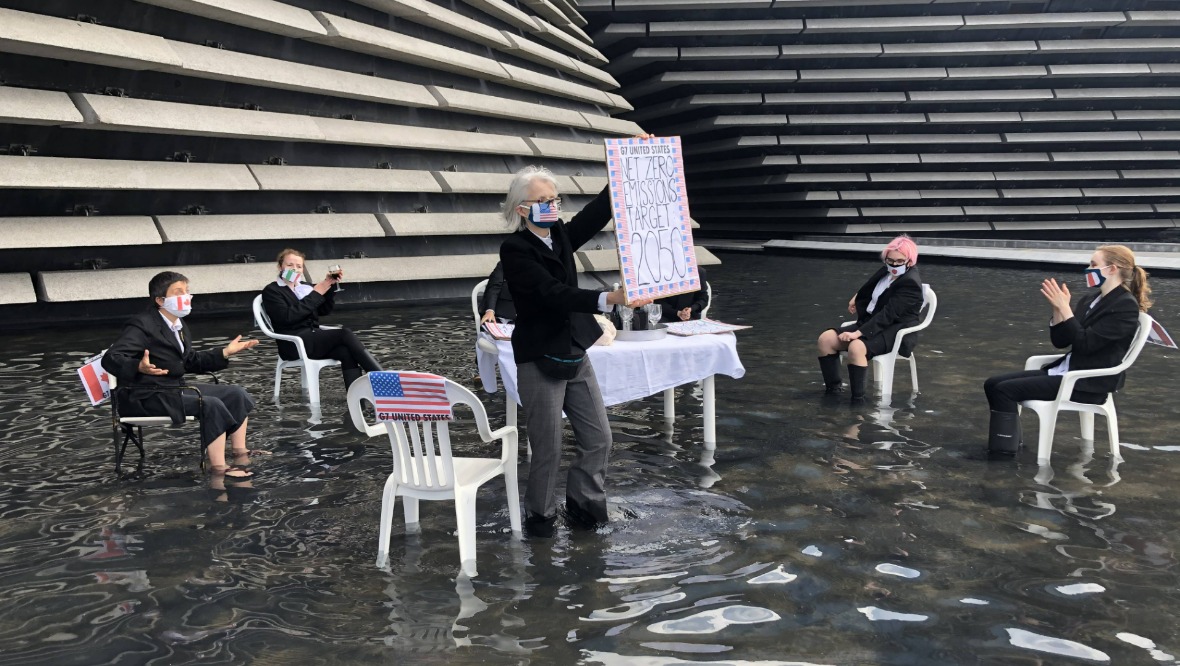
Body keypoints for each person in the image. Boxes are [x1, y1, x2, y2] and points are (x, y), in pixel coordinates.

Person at [499, 165, 652, 536]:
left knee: (599, 437)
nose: (552, 206)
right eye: (543, 200)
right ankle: (541, 520)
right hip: (539, 356)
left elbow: (598, 211)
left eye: (555, 199)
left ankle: (584, 507)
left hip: (574, 350)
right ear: (523, 209)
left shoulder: (562, 236)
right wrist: (607, 297)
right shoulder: (515, 249)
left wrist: (629, 162)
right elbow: (552, 294)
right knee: (547, 449)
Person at [983, 245, 1151, 454]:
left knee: (1004, 390)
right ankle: (1010, 443)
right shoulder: (1091, 299)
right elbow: (1061, 341)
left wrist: (1066, 309)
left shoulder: (1125, 305)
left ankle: (1002, 455)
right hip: (1067, 370)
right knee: (993, 384)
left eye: (1093, 264)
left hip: (1087, 382)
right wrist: (1057, 312)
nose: (1088, 269)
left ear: (1112, 269)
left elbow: (1086, 344)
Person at [102, 271, 261, 479]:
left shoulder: (179, 325)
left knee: (236, 393)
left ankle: (240, 452)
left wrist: (224, 353)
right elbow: (112, 358)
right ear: (160, 300)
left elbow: (189, 361)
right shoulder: (142, 324)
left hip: (172, 388)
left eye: (187, 291)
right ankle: (219, 468)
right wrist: (138, 367)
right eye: (179, 292)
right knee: (209, 403)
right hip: (146, 395)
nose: (186, 296)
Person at [816, 235, 924, 403]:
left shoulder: (910, 283)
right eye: (890, 260)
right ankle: (833, 391)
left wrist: (857, 333)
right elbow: (870, 285)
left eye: (899, 261)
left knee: (856, 347)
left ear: (910, 261)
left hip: (896, 331)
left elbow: (888, 315)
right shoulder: (886, 270)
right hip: (872, 323)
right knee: (826, 340)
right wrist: (856, 297)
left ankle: (858, 401)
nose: (894, 265)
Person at [261, 249, 382, 390]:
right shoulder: (272, 291)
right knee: (344, 333)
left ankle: (356, 400)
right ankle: (382, 380)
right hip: (293, 343)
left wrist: (328, 288)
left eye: (299, 266)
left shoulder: (304, 287)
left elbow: (324, 310)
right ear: (280, 267)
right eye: (290, 265)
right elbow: (287, 317)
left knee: (346, 352)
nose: (295, 269)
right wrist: (317, 293)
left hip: (312, 338)